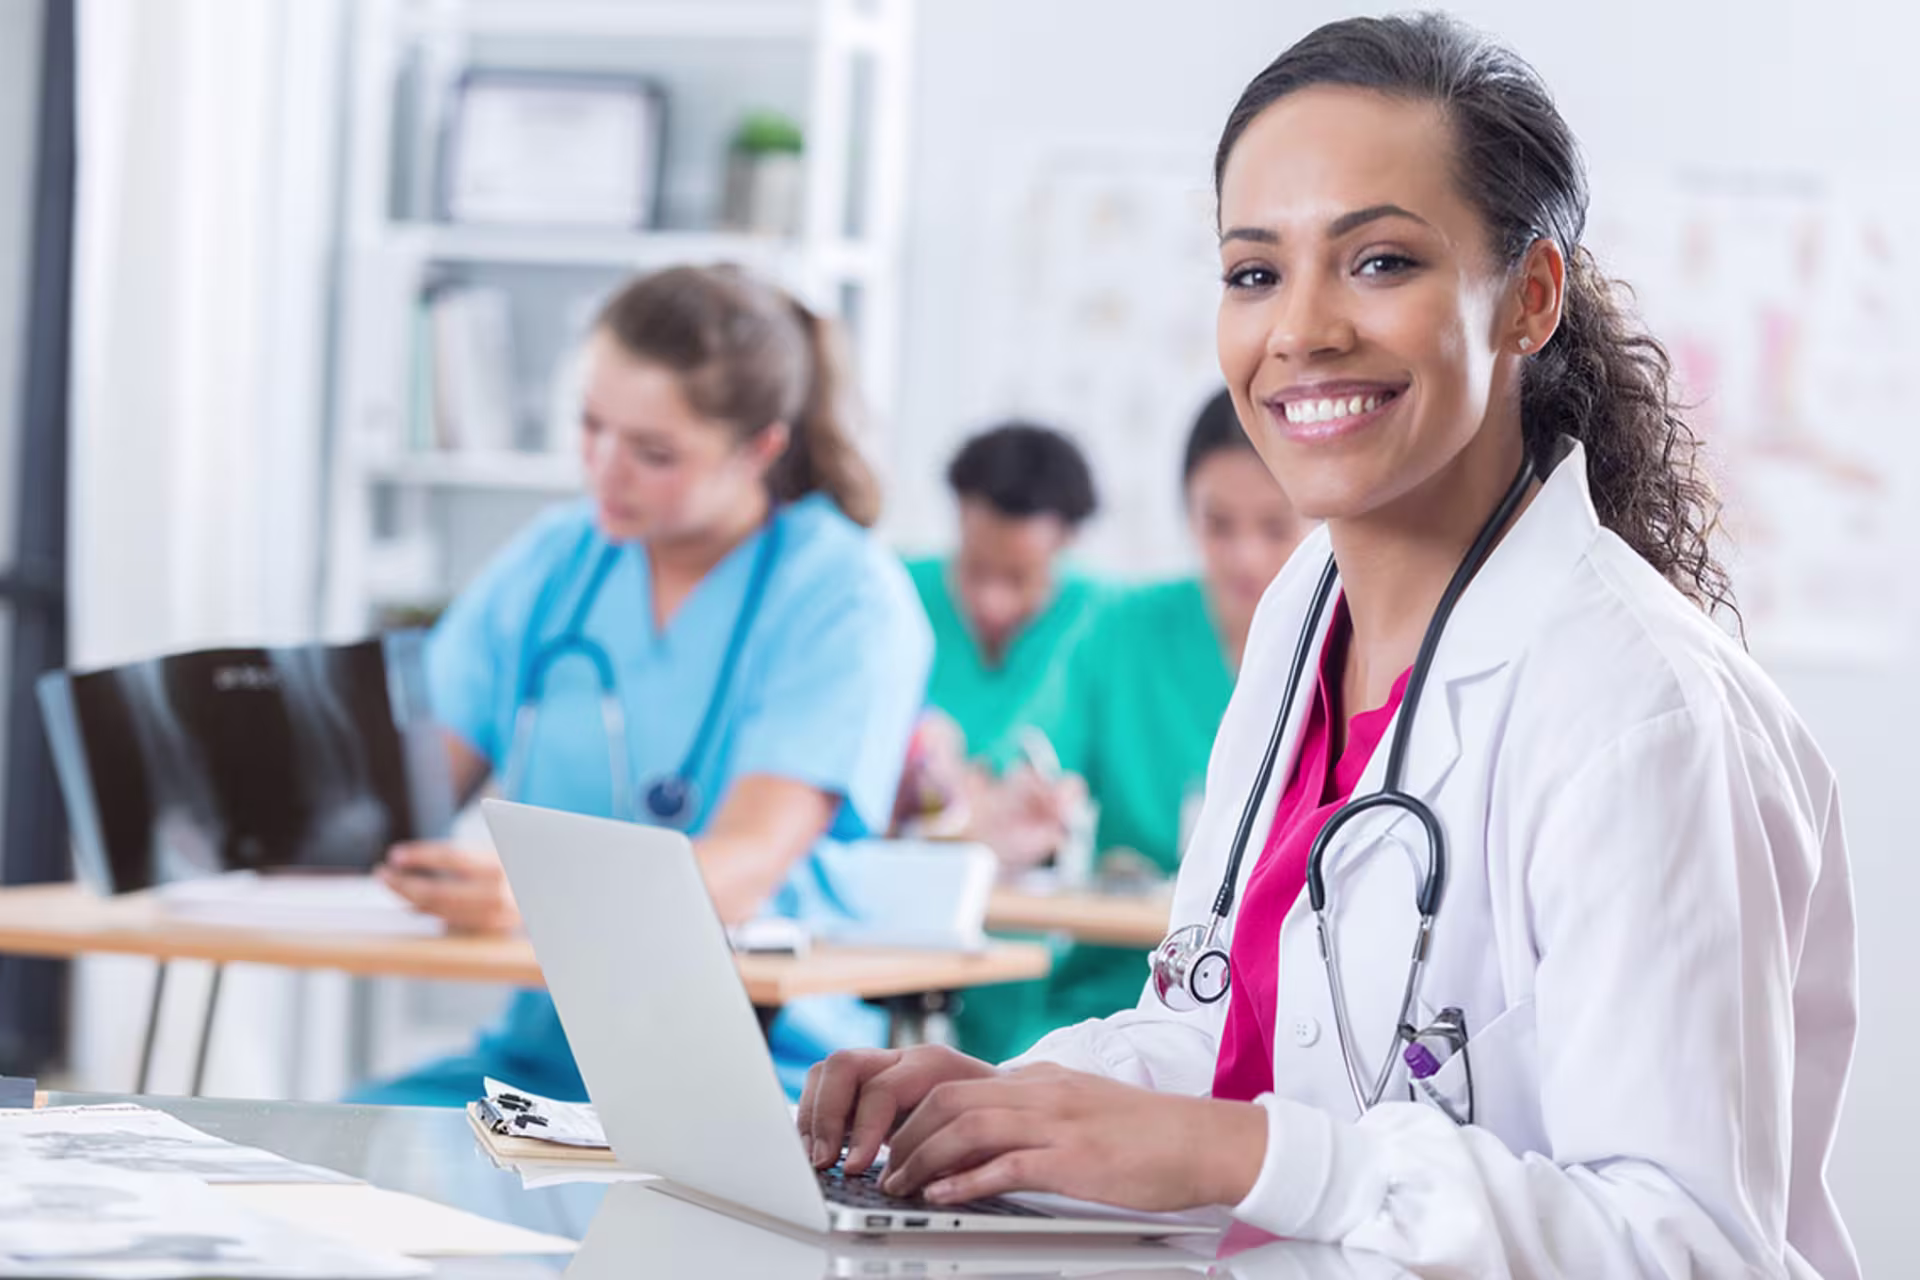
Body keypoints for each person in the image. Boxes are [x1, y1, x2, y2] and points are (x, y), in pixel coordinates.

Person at [798, 15, 1858, 1278]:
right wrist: (1002, 1104)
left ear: (1529, 298)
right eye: (1255, 272)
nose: (1299, 330)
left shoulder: (1643, 717)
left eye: (1381, 262)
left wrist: (1246, 1156)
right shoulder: (1309, 610)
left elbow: (1691, 1247)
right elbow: (1223, 1034)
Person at [353, 264, 932, 1104]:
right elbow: (399, 794)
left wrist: (530, 898)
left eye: (653, 452)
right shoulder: (558, 561)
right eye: (591, 427)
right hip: (542, 1061)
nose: (604, 470)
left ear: (760, 448)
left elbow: (745, 863)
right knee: (314, 1160)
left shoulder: (842, 596)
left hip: (753, 1069)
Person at [953, 388, 1310, 1063]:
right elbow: (1014, 767)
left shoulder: (1350, 646)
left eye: (1275, 526)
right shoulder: (1123, 631)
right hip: (1111, 998)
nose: (1244, 558)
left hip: (1280, 1009)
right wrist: (1018, 808)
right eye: (1218, 524)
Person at [903, 423, 1104, 766]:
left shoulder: (1100, 620)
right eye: (975, 568)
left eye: (1018, 578)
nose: (991, 602)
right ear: (959, 517)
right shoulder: (898, 592)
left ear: (1065, 543)